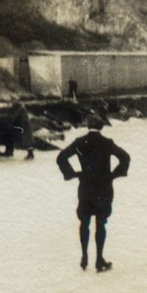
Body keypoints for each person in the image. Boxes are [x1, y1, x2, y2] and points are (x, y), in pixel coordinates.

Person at [57, 114, 130, 272]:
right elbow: (125, 157)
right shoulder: (106, 143)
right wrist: (114, 175)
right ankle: (99, 259)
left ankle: (84, 257)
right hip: (103, 188)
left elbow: (61, 157)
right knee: (101, 223)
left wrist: (73, 174)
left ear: (88, 126)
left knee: (84, 222)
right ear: (101, 127)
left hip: (86, 187)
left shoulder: (80, 142)